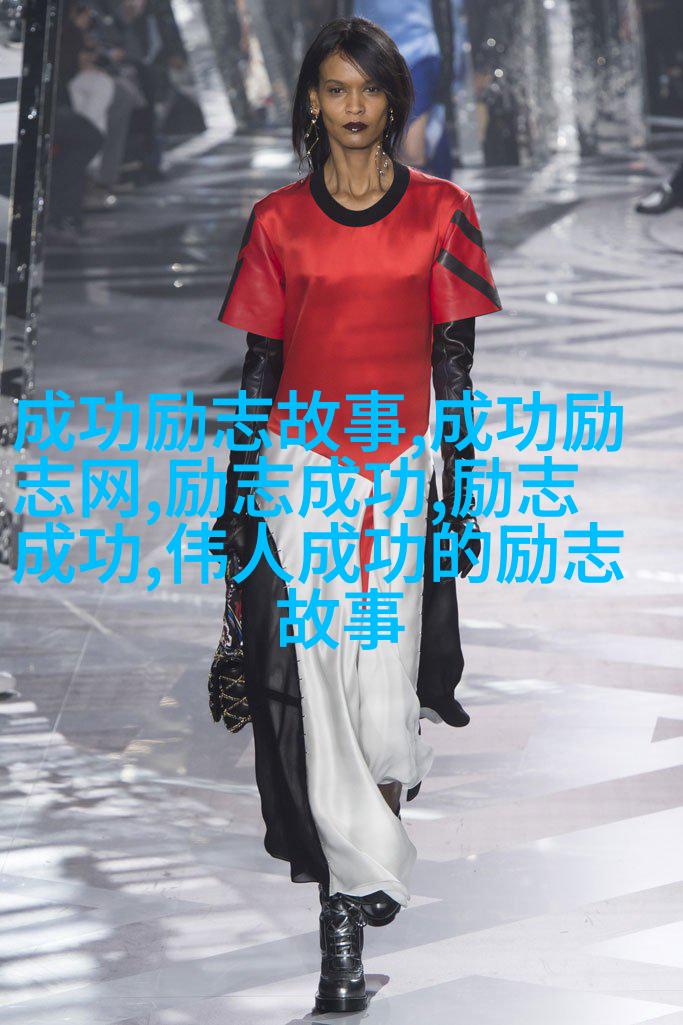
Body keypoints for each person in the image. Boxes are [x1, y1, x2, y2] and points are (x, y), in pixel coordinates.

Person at [211, 16, 502, 1013]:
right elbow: (258, 372)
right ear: (310, 101)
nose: (351, 106)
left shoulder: (442, 212)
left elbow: (454, 368)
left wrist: (460, 492)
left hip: (399, 478)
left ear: (391, 99)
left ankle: (365, 854)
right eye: (333, 88)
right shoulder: (276, 222)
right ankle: (341, 923)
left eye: (368, 89)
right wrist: (236, 505)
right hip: (301, 475)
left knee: (381, 696)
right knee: (318, 692)